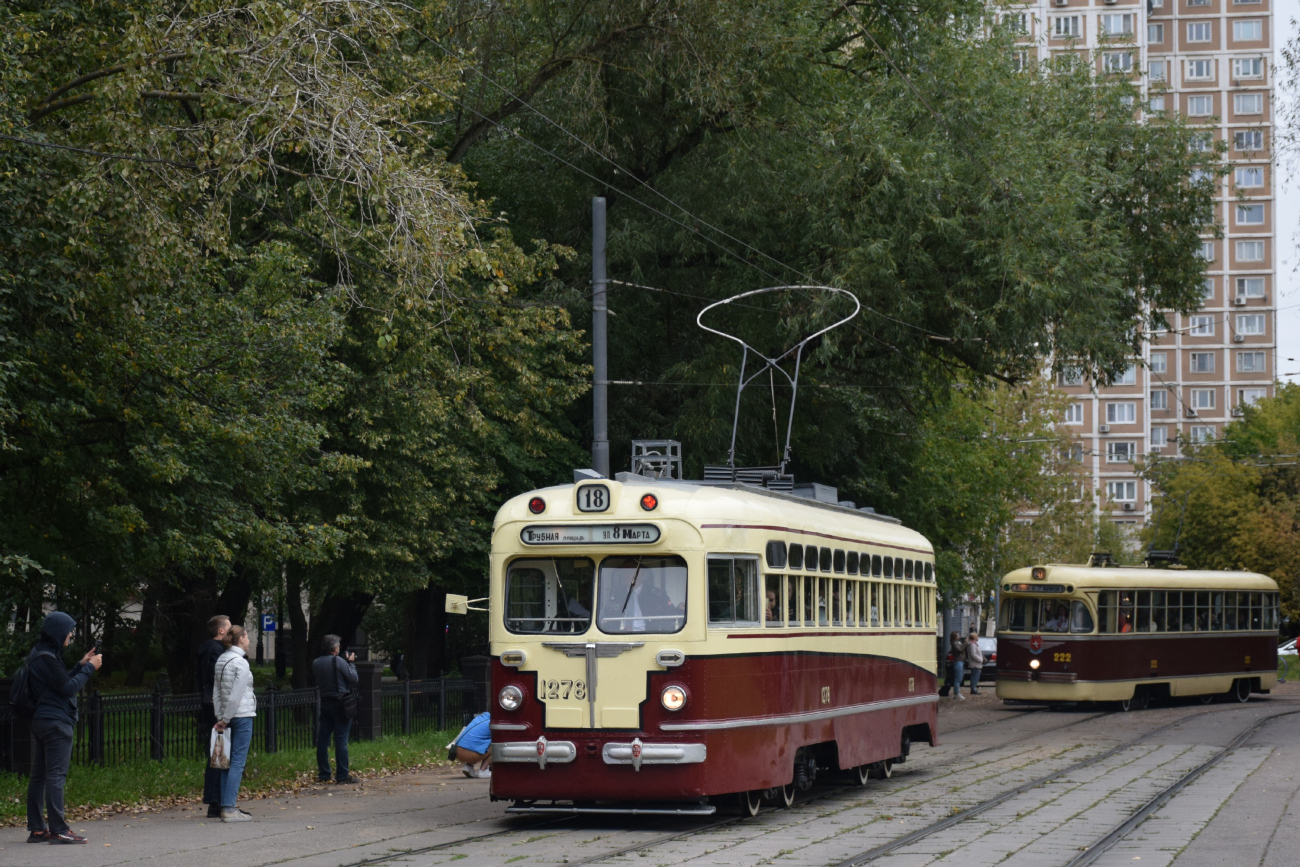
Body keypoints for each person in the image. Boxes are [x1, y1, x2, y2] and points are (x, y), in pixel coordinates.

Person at [26, 611, 101, 844]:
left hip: (42, 720)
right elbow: (68, 689)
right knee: (55, 776)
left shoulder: (41, 654)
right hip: (56, 722)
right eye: (69, 630)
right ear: (59, 632)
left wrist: (80, 665)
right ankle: (59, 829)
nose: (71, 634)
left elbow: (60, 683)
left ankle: (38, 828)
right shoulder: (48, 657)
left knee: (39, 776)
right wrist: (90, 669)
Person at [213, 625, 257, 822]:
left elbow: (217, 693)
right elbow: (236, 694)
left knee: (225, 763)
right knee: (238, 763)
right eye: (247, 637)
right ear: (241, 639)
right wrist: (226, 717)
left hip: (227, 717)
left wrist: (220, 717)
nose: (249, 641)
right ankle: (230, 809)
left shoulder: (221, 659)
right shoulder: (241, 663)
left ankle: (226, 805)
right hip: (241, 715)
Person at [311, 634, 358, 784]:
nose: (339, 648)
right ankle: (342, 775)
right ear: (334, 647)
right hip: (340, 704)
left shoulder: (316, 663)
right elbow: (353, 678)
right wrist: (350, 663)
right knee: (341, 740)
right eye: (338, 645)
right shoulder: (338, 661)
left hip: (325, 702)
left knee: (323, 740)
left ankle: (324, 773)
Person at [196, 615, 230, 818]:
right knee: (219, 751)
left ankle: (215, 800)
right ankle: (217, 800)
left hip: (208, 702)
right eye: (229, 625)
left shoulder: (206, 649)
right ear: (221, 631)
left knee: (216, 752)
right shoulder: (217, 651)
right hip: (215, 706)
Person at [452, 711, 492, 779]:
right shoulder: (492, 723)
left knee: (478, 741)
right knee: (497, 745)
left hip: (456, 751)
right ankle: (483, 770)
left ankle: (468, 766)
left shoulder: (481, 718)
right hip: (469, 753)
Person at [947, 632, 966, 700]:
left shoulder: (958, 643)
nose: (959, 637)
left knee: (961, 677)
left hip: (961, 661)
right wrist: (965, 643)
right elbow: (960, 650)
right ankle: (956, 694)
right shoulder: (954, 644)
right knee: (958, 678)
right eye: (957, 636)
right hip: (958, 661)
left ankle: (957, 692)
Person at [965, 631, 985, 695]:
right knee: (975, 676)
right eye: (976, 636)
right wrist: (980, 659)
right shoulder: (972, 645)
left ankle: (974, 688)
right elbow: (973, 654)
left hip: (976, 664)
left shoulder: (974, 644)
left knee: (976, 676)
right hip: (975, 664)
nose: (977, 637)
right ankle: (973, 689)